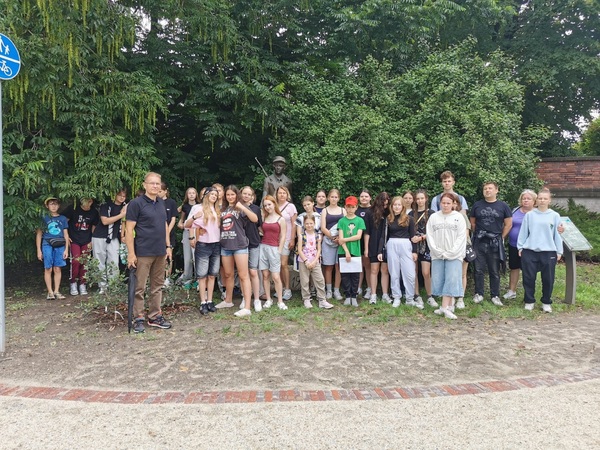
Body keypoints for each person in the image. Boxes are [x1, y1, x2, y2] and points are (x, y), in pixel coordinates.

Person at [126, 172, 173, 333]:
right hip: (143, 252)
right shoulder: (136, 204)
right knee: (139, 287)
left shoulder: (161, 203)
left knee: (157, 286)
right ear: (144, 185)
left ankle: (154, 316)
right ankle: (138, 318)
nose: (155, 186)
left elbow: (164, 225)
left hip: (160, 251)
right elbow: (129, 229)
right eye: (151, 183)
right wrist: (131, 253)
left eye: (157, 183)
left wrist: (168, 246)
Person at [517, 188, 563, 313]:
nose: (542, 201)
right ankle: (529, 301)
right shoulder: (530, 215)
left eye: (545, 198)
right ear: (536, 200)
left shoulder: (555, 216)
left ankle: (546, 302)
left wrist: (559, 251)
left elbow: (557, 235)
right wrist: (520, 247)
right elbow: (523, 232)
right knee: (528, 277)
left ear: (549, 200)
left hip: (548, 251)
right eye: (540, 198)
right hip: (530, 250)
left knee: (548, 278)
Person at [216, 185, 259, 317]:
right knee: (228, 274)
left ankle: (247, 307)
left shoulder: (241, 207)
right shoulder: (222, 209)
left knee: (243, 275)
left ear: (237, 195)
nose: (230, 197)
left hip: (240, 245)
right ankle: (228, 300)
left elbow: (255, 219)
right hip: (225, 245)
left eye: (232, 194)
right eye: (228, 195)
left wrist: (242, 207)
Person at [470, 181, 513, 306]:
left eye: (490, 188)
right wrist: (478, 234)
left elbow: (508, 224)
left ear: (496, 190)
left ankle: (495, 295)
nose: (487, 190)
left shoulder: (503, 206)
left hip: (495, 242)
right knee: (478, 269)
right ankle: (479, 293)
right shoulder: (477, 205)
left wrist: (500, 237)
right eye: (485, 189)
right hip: (479, 241)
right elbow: (472, 223)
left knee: (494, 270)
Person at [426, 193, 467, 319]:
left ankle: (444, 308)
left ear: (453, 204)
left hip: (454, 255)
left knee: (452, 279)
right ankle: (449, 306)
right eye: (443, 203)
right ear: (440, 203)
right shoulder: (434, 217)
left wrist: (451, 252)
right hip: (437, 255)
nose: (445, 205)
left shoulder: (459, 217)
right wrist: (436, 250)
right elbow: (429, 235)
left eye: (448, 203)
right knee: (439, 280)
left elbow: (461, 237)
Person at [378, 196, 420, 308]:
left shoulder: (409, 219)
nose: (397, 207)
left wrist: (414, 251)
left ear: (403, 206)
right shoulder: (388, 219)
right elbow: (383, 236)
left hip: (406, 245)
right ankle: (396, 297)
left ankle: (410, 298)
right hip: (392, 245)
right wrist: (380, 251)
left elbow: (413, 236)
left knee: (410, 274)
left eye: (399, 205)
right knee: (394, 273)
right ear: (392, 206)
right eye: (395, 205)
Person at [185, 186, 221, 315]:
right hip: (203, 244)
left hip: (216, 244)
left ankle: (210, 300)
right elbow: (186, 224)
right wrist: (195, 218)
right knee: (202, 275)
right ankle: (203, 302)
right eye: (212, 194)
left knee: (212, 275)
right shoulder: (198, 208)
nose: (214, 196)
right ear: (206, 195)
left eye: (216, 195)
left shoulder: (217, 209)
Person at [92, 190, 128, 294]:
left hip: (114, 237)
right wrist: (121, 215)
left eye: (124, 196)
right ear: (115, 195)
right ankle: (102, 286)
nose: (122, 198)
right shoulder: (106, 205)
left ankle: (113, 285)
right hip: (99, 236)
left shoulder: (125, 206)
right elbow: (105, 221)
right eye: (120, 195)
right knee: (99, 261)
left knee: (114, 261)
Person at [504, 189, 537, 300]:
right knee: (514, 267)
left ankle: (528, 294)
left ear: (534, 201)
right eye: (524, 198)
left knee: (528, 270)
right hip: (514, 244)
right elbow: (509, 224)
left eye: (528, 199)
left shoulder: (536, 213)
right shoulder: (515, 210)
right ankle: (511, 291)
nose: (526, 200)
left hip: (528, 246)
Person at [36, 197, 70, 300]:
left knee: (57, 268)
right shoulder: (44, 218)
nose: (54, 206)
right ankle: (50, 292)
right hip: (47, 243)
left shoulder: (63, 219)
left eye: (55, 204)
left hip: (60, 244)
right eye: (51, 204)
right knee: (48, 268)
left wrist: (66, 249)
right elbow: (39, 234)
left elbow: (66, 234)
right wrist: (39, 250)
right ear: (47, 206)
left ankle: (56, 291)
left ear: (59, 206)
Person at [297, 214, 333, 309]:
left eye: (311, 223)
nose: (309, 225)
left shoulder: (318, 236)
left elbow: (318, 249)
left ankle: (322, 299)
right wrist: (306, 261)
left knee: (320, 279)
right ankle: (306, 299)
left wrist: (314, 261)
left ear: (314, 224)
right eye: (307, 224)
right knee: (305, 280)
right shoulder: (301, 236)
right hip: (304, 261)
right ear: (304, 225)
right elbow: (299, 250)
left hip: (315, 261)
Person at [258, 195, 288, 310]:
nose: (267, 207)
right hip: (263, 247)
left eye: (269, 204)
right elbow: (261, 230)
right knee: (265, 275)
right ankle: (268, 299)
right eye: (265, 205)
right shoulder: (264, 218)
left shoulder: (281, 219)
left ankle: (280, 301)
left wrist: (279, 250)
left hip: (274, 248)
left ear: (274, 204)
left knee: (275, 276)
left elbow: (283, 236)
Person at [65, 198, 99, 296]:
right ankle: (73, 282)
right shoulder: (73, 208)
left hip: (87, 240)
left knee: (85, 262)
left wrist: (92, 240)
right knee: (75, 261)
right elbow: (64, 222)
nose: (88, 203)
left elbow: (94, 226)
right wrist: (66, 236)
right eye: (85, 200)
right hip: (74, 239)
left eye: (90, 201)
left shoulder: (94, 212)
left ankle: (83, 283)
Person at [409, 189, 437, 307]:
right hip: (413, 245)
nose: (420, 201)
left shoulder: (432, 213)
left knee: (426, 272)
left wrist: (422, 238)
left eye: (422, 198)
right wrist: (413, 238)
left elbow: (435, 231)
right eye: (418, 198)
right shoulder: (411, 214)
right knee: (414, 271)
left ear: (426, 199)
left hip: (426, 246)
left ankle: (430, 296)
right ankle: (417, 295)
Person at [337, 196, 366, 307]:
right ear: (345, 207)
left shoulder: (359, 220)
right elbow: (340, 238)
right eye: (348, 207)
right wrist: (346, 251)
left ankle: (354, 296)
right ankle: (347, 295)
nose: (350, 209)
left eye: (352, 207)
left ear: (356, 207)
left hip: (356, 251)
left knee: (355, 275)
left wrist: (345, 239)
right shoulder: (341, 221)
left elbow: (358, 236)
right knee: (345, 275)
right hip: (343, 251)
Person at [364, 192, 391, 304]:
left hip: (387, 244)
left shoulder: (390, 212)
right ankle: (373, 294)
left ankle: (385, 294)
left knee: (385, 270)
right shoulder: (370, 212)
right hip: (373, 244)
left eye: (387, 202)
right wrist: (366, 248)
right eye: (383, 202)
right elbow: (367, 232)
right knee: (374, 270)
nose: (385, 204)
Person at [241, 186, 263, 312]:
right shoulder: (236, 208)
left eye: (249, 194)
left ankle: (256, 299)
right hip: (240, 244)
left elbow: (259, 225)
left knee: (253, 272)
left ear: (252, 196)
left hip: (254, 242)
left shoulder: (256, 209)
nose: (246, 196)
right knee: (243, 273)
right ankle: (245, 297)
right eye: (244, 193)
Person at [321, 189, 345, 301]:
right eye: (332, 197)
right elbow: (323, 227)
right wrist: (332, 237)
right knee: (328, 267)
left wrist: (339, 238)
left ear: (338, 198)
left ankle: (337, 290)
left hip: (340, 242)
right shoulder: (325, 211)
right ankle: (329, 290)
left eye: (336, 197)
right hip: (328, 241)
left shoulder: (343, 210)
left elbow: (345, 225)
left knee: (338, 266)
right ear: (328, 198)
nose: (334, 199)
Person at [275, 186, 297, 300]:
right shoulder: (274, 206)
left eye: (284, 193)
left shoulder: (291, 206)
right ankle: (281, 287)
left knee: (284, 264)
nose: (282, 195)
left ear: (287, 194)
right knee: (277, 264)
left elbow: (294, 224)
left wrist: (293, 239)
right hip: (275, 239)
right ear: (276, 194)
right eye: (280, 193)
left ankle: (288, 289)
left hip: (287, 238)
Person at [452, 194, 472, 310]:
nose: (454, 205)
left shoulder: (463, 216)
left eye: (456, 203)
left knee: (462, 274)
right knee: (452, 274)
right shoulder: (444, 216)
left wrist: (456, 246)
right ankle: (452, 297)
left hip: (463, 247)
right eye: (452, 203)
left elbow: (466, 234)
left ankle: (460, 298)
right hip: (449, 249)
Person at [177, 187, 199, 285]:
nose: (191, 195)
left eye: (193, 193)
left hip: (197, 231)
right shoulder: (184, 206)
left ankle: (198, 278)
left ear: (196, 194)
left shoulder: (199, 206)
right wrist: (180, 224)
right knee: (187, 256)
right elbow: (181, 219)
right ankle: (187, 278)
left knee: (197, 255)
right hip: (187, 231)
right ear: (187, 195)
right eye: (189, 193)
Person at [159, 182, 178, 288]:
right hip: (157, 234)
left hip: (169, 234)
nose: (158, 193)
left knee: (168, 257)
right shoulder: (155, 202)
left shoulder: (171, 202)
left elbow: (173, 219)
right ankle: (159, 279)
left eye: (160, 191)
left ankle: (167, 279)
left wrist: (167, 231)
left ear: (165, 191)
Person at [356, 189, 372, 299]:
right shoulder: (355, 209)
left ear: (370, 198)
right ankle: (358, 287)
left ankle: (370, 288)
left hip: (370, 241)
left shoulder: (373, 210)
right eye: (362, 196)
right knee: (358, 265)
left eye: (366, 196)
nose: (364, 198)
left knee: (367, 265)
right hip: (357, 241)